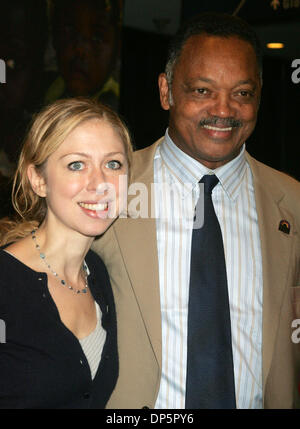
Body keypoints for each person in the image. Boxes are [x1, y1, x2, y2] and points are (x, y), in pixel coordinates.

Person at [93, 13, 300, 409]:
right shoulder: (106, 189)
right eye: (203, 90)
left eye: (242, 93)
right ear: (166, 90)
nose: (224, 110)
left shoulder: (291, 202)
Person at [0, 97, 132, 408]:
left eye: (113, 163)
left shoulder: (99, 273)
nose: (100, 183)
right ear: (38, 179)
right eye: (77, 164)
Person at [46, 0, 122, 110]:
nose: (80, 50)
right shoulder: (45, 89)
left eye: (97, 38)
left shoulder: (115, 107)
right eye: (70, 31)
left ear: (117, 46)